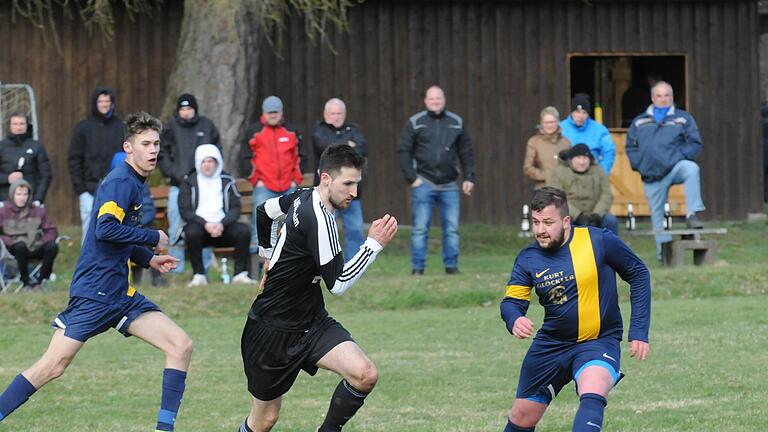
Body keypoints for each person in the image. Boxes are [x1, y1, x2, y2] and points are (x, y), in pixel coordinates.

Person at [0, 112, 192, 432]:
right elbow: (105, 230)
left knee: (180, 345)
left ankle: (165, 429)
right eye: (145, 144)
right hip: (96, 293)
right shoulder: (121, 181)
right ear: (128, 147)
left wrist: (148, 259)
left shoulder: (132, 181)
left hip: (119, 294)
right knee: (52, 366)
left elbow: (116, 240)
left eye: (156, 143)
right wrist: (152, 237)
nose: (152, 150)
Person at [240, 144, 398, 432]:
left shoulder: (302, 196)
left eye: (357, 184)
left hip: (311, 322)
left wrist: (268, 256)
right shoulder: (319, 218)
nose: (354, 192)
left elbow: (264, 211)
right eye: (347, 184)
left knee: (364, 374)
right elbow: (338, 284)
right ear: (326, 179)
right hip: (271, 330)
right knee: (265, 420)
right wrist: (373, 244)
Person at [499, 187, 650, 432]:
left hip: (598, 340)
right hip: (551, 345)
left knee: (594, 387)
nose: (540, 230)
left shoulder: (599, 240)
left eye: (548, 222)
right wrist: (514, 318)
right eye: (535, 222)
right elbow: (511, 302)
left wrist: (639, 330)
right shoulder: (528, 258)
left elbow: (639, 273)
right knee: (523, 417)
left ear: (566, 221)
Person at [396, 85, 476, 275]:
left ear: (444, 99)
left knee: (451, 229)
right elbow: (403, 150)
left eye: (438, 98)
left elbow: (467, 152)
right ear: (426, 101)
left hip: (450, 184)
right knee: (420, 229)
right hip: (423, 182)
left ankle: (451, 267)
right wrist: (412, 178)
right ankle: (418, 268)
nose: (435, 101)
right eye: (432, 98)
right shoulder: (415, 122)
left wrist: (469, 177)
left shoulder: (456, 122)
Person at [626, 81, 706, 259]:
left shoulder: (683, 118)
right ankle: (665, 255)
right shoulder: (639, 121)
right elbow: (630, 146)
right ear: (653, 98)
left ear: (672, 97)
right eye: (659, 96)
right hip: (652, 174)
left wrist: (678, 156)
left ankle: (692, 214)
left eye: (667, 95)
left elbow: (695, 143)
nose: (663, 99)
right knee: (657, 217)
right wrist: (638, 164)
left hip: (674, 168)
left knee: (691, 168)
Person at [159, 93, 221, 272]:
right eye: (182, 109)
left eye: (189, 109)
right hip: (178, 185)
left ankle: (204, 268)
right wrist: (174, 172)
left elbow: (216, 151)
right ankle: (175, 269)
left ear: (195, 109)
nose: (186, 112)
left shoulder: (206, 125)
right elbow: (162, 154)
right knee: (176, 227)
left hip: (204, 187)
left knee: (204, 227)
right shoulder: (171, 127)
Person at [179, 144, 255, 286]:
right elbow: (185, 211)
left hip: (223, 227)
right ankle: (199, 275)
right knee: (191, 232)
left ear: (217, 162)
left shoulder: (227, 181)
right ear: (198, 163)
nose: (207, 165)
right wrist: (205, 224)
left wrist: (222, 224)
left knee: (243, 231)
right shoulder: (189, 182)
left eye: (210, 161)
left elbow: (235, 208)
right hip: (200, 228)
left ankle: (240, 274)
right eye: (203, 161)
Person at [243, 95, 306, 256]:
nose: (273, 115)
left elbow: (301, 156)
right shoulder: (254, 131)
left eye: (276, 112)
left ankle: (291, 259)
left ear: (281, 112)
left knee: (294, 224)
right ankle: (256, 265)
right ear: (263, 112)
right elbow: (245, 157)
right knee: (260, 223)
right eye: (269, 112)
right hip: (264, 187)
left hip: (288, 186)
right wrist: (256, 180)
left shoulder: (292, 131)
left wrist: (295, 180)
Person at [311, 98, 368, 262]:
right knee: (325, 230)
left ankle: (355, 265)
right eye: (333, 113)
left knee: (356, 230)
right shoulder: (319, 130)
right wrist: (349, 144)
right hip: (327, 193)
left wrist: (337, 145)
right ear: (325, 114)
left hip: (351, 192)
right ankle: (327, 265)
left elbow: (363, 148)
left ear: (345, 114)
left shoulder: (353, 129)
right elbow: (324, 147)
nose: (336, 117)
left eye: (339, 113)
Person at [68, 86, 126, 240]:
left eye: (107, 101)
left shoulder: (121, 127)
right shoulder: (83, 128)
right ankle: (88, 264)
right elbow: (74, 159)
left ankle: (113, 264)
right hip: (89, 189)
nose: (104, 104)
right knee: (89, 232)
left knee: (116, 229)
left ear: (112, 103)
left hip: (115, 188)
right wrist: (81, 189)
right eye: (101, 101)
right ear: (95, 103)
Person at [110, 152, 165, 287]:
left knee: (149, 239)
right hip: (119, 231)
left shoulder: (140, 185)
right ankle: (126, 279)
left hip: (141, 225)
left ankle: (156, 278)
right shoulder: (109, 187)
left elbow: (147, 207)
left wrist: (137, 224)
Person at [547, 143, 618, 235]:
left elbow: (607, 194)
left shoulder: (598, 171)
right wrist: (577, 215)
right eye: (578, 158)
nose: (582, 162)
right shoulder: (559, 172)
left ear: (590, 159)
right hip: (570, 215)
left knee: (610, 220)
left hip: (594, 213)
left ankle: (611, 248)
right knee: (563, 223)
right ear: (571, 159)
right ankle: (564, 249)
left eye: (585, 158)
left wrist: (597, 214)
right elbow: (557, 198)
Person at [0, 179, 58, 290]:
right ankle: (25, 283)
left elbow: (52, 230)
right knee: (20, 245)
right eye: (19, 194)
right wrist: (10, 242)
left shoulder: (38, 211)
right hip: (14, 250)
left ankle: (41, 282)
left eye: (25, 194)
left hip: (35, 246)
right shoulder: (3, 211)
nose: (22, 197)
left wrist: (42, 241)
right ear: (12, 194)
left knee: (52, 246)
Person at [0, 112, 53, 205]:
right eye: (15, 124)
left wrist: (38, 199)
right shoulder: (1, 146)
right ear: (10, 125)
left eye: (22, 124)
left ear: (27, 125)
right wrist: (7, 178)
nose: (18, 127)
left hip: (30, 201)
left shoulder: (36, 146)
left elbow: (46, 175)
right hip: (5, 202)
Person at [560, 93, 616, 175]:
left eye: (584, 112)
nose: (580, 116)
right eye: (577, 112)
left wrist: (602, 174)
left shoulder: (599, 130)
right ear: (571, 113)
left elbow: (609, 152)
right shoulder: (560, 128)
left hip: (592, 177)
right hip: (566, 177)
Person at [523, 106, 571, 189]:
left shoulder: (565, 142)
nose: (550, 125)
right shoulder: (534, 142)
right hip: (543, 189)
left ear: (558, 122)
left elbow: (571, 164)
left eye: (552, 122)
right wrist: (545, 175)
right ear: (541, 123)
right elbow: (528, 168)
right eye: (546, 122)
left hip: (564, 188)